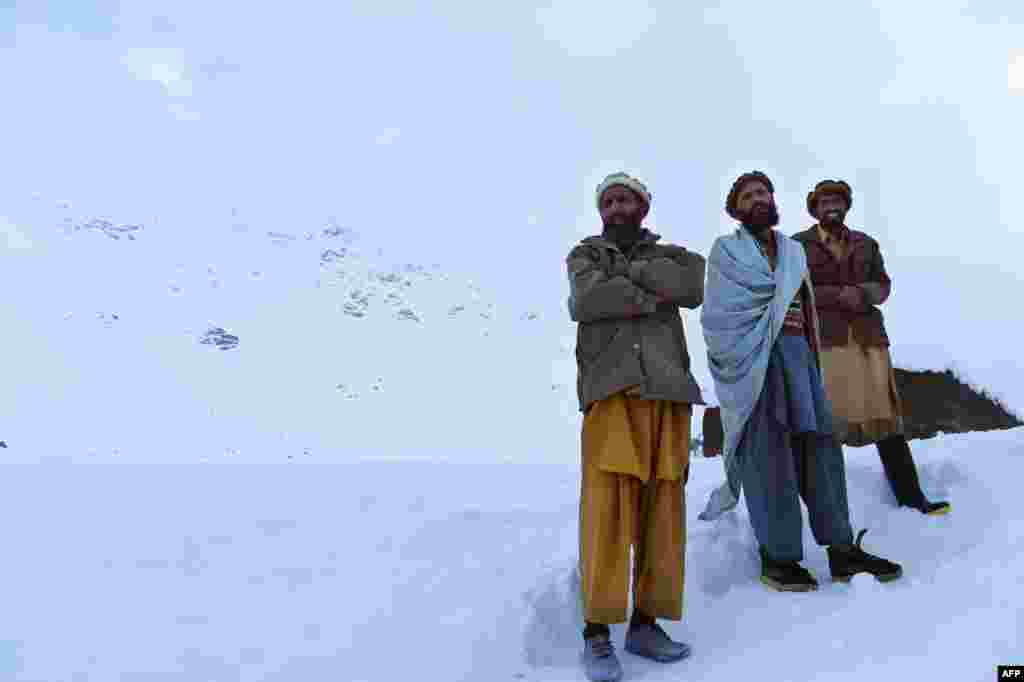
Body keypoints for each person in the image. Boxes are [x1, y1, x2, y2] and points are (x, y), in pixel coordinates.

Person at [698, 171, 902, 592]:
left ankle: (842, 550)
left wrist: (809, 356)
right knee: (767, 455)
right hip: (756, 363)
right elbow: (719, 317)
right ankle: (780, 556)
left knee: (822, 450)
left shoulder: (793, 252)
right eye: (748, 195)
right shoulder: (726, 252)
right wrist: (749, 355)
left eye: (764, 192)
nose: (759, 199)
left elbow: (806, 306)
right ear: (735, 208)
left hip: (801, 358)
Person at [566, 172, 704, 681]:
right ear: (601, 209)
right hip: (612, 394)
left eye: (627, 199)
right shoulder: (585, 256)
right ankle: (597, 632)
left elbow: (692, 285)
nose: (618, 207)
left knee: (663, 510)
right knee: (606, 510)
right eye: (610, 200)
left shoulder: (672, 255)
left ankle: (646, 623)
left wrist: (629, 285)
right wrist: (650, 294)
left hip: (667, 394)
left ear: (643, 206)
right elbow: (586, 301)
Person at [793, 180, 950, 515]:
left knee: (887, 419)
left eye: (837, 200)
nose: (831, 206)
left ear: (846, 206)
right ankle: (826, 511)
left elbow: (883, 285)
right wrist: (837, 296)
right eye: (824, 201)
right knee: (828, 422)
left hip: (869, 340)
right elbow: (794, 289)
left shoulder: (866, 244)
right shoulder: (797, 245)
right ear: (815, 209)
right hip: (828, 342)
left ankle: (911, 498)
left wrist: (864, 294)